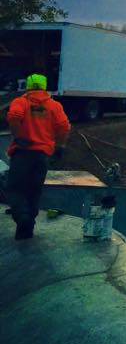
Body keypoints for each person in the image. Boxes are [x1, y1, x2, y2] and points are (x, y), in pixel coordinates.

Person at [5, 73, 71, 240]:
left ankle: (22, 218)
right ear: (44, 87)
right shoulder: (53, 106)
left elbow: (14, 117)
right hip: (42, 156)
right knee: (34, 191)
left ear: (27, 86)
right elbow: (64, 126)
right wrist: (60, 147)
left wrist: (18, 136)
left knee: (14, 189)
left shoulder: (21, 102)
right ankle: (26, 231)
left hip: (22, 154)